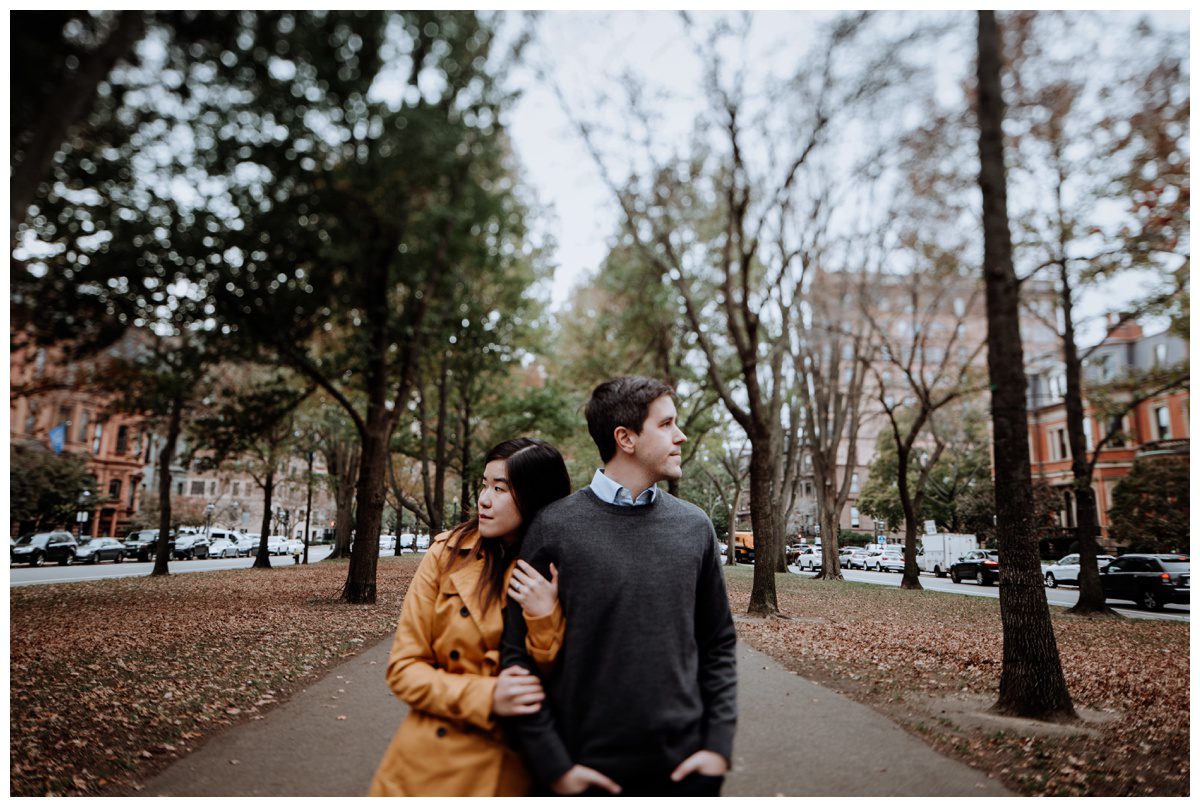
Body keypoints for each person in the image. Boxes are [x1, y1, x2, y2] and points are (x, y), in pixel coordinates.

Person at [500, 376, 738, 797]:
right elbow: (517, 659)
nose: (680, 436)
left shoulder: (694, 527)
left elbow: (717, 643)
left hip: (684, 772)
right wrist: (555, 768)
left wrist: (717, 749)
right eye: (665, 425)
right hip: (581, 773)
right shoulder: (553, 527)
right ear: (625, 438)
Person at [369, 437, 572, 796]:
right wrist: (487, 697)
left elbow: (566, 683)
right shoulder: (446, 554)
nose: (484, 499)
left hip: (512, 772)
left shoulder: (561, 568)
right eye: (484, 484)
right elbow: (403, 669)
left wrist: (544, 617)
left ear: (537, 495)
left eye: (501, 488)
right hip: (428, 767)